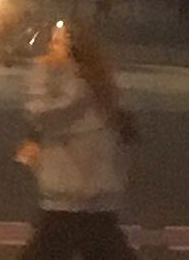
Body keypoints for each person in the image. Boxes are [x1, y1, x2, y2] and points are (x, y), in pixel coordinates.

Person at [14, 21, 139, 260]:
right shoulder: (92, 84)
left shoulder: (76, 89)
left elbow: (42, 113)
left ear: (75, 50)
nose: (51, 47)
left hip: (73, 197)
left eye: (59, 42)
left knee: (48, 250)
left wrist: (41, 72)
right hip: (87, 196)